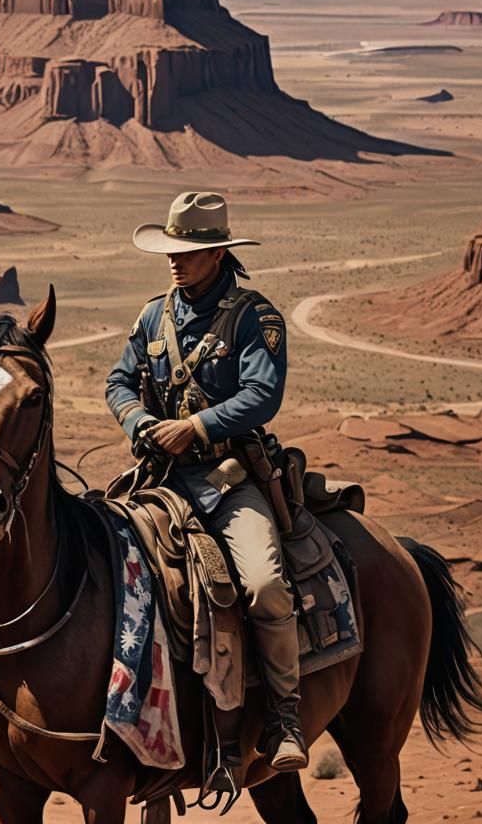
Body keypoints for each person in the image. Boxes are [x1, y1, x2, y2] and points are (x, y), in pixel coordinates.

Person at [105, 190, 307, 775]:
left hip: (227, 481)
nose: (175, 260)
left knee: (266, 584)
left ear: (218, 253)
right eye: (171, 250)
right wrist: (141, 421)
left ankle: (284, 717)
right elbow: (118, 382)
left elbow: (262, 395)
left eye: (187, 251)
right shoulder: (153, 316)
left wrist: (193, 426)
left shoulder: (255, 317)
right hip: (156, 480)